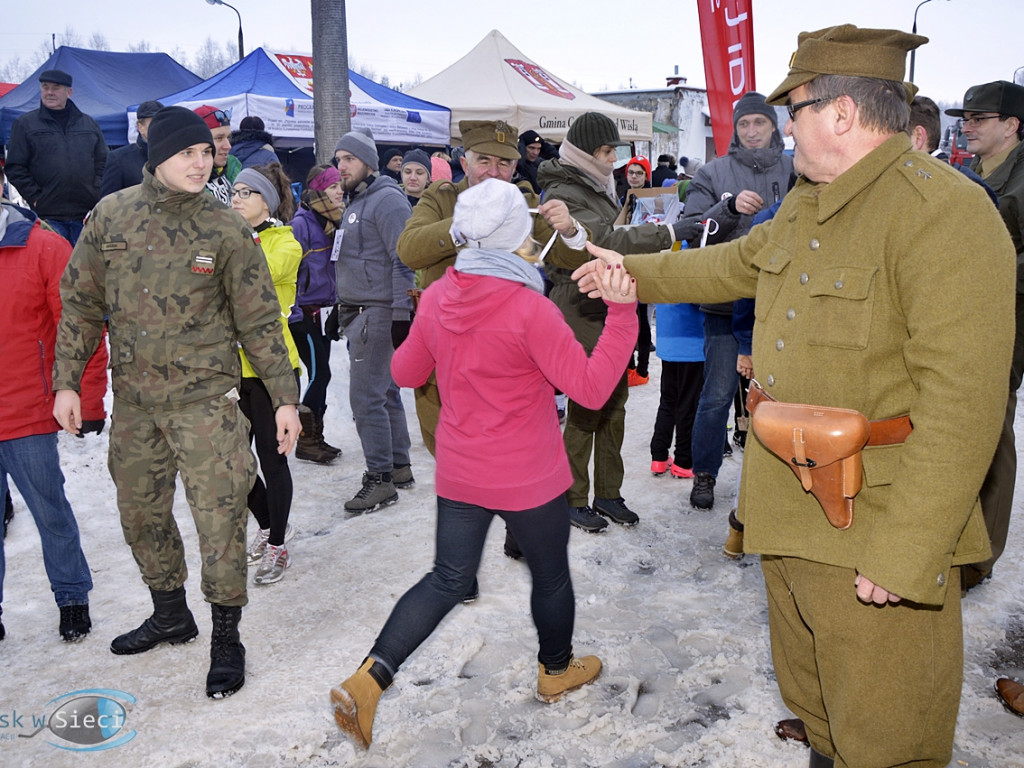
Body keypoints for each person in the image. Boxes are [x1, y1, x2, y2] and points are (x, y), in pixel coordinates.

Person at [572, 24, 1014, 768]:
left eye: (796, 109)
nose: (785, 126)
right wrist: (629, 273)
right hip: (791, 510)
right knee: (821, 715)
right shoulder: (811, 203)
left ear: (841, 115)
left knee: (887, 738)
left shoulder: (945, 213)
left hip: (875, 528)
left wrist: (909, 551)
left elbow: (965, 407)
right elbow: (729, 265)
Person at [330, 178, 639, 749]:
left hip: (463, 469)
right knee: (549, 575)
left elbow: (403, 374)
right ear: (519, 237)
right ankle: (555, 670)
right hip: (529, 475)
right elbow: (593, 390)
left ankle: (369, 678)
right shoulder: (530, 308)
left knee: (448, 578)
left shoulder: (443, 294)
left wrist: (433, 334)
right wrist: (623, 316)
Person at [52, 106, 302, 699]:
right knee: (141, 514)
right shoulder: (110, 217)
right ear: (156, 155)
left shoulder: (224, 228)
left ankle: (225, 634)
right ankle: (170, 613)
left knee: (220, 518)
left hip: (206, 403)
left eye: (206, 152)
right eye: (187, 152)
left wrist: (284, 399)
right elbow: (81, 305)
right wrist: (68, 381)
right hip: (136, 403)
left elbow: (260, 319)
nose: (201, 161)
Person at [539, 112, 694, 532]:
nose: (612, 160)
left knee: (615, 404)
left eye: (613, 152)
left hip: (608, 303)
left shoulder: (597, 184)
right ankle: (572, 497)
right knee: (587, 407)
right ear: (588, 152)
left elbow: (612, 233)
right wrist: (666, 232)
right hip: (579, 304)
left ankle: (608, 492)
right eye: (606, 152)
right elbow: (598, 243)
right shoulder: (564, 190)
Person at [395, 120, 578, 456]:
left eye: (504, 163)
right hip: (447, 369)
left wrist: (569, 229)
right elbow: (408, 251)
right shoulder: (442, 197)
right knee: (457, 470)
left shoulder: (522, 202)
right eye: (483, 161)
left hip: (505, 371)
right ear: (464, 163)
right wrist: (462, 226)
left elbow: (548, 257)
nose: (494, 173)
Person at [679, 91, 794, 511]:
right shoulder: (713, 172)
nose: (751, 131)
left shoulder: (797, 167)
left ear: (772, 126)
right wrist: (727, 208)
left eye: (758, 123)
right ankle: (705, 474)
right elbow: (690, 228)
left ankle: (784, 480)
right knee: (717, 395)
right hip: (726, 307)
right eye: (744, 125)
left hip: (784, 306)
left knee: (783, 397)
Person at [0, 163, 92, 643]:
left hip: (25, 412)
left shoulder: (42, 246)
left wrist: (81, 394)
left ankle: (73, 597)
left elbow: (79, 328)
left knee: (49, 510)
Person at [945, 81, 1024, 592]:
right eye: (965, 117)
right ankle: (960, 538)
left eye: (979, 118)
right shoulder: (971, 172)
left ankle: (981, 556)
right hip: (968, 306)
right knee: (963, 420)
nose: (967, 125)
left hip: (1012, 309)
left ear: (1012, 124)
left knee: (992, 426)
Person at [332, 130, 416, 513]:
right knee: (384, 393)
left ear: (368, 161)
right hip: (360, 310)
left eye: (349, 158)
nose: (341, 166)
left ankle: (379, 479)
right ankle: (398, 466)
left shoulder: (387, 201)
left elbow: (404, 260)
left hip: (378, 313)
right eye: (338, 160)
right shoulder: (357, 200)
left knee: (365, 399)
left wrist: (401, 315)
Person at [230, 164, 302, 585]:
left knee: (273, 463)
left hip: (272, 370)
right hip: (232, 370)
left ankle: (278, 543)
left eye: (245, 193)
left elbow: (252, 276)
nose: (235, 199)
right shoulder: (234, 238)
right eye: (234, 192)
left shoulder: (284, 244)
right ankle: (268, 524)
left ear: (266, 203)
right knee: (233, 461)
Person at [4, 69, 107, 246]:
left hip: (85, 215)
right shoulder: (25, 124)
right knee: (56, 270)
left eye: (56, 88)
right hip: (48, 216)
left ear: (69, 92)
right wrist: (36, 197)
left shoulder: (88, 123)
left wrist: (95, 190)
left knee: (85, 270)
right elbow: (15, 167)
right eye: (45, 87)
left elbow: (103, 161)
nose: (49, 92)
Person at [288, 164, 344, 465]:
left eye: (340, 186)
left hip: (324, 313)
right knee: (320, 373)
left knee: (320, 374)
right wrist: (295, 311)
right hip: (303, 314)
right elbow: (289, 273)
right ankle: (307, 440)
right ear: (318, 190)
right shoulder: (301, 225)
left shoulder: (334, 222)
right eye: (333, 186)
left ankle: (315, 437)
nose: (340, 191)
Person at [619, 155, 654, 388]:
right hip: (625, 261)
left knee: (641, 318)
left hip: (645, 263)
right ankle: (628, 366)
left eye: (639, 173)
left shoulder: (655, 198)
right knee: (625, 317)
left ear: (646, 176)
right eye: (631, 172)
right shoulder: (622, 197)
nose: (634, 177)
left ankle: (642, 369)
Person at [100, 100, 164, 196]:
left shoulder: (176, 155)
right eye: (154, 123)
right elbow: (107, 202)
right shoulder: (119, 159)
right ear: (140, 127)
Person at [194, 105, 240, 205]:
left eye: (228, 137)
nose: (228, 146)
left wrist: (271, 221)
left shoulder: (234, 168)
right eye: (219, 138)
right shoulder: (187, 186)